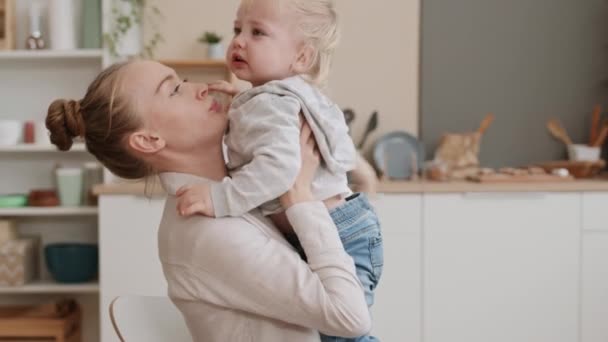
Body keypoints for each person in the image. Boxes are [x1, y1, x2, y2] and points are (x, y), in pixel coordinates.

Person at [45, 59, 371, 341]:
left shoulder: (239, 189)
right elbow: (350, 317)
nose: (199, 88)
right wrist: (300, 197)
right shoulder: (208, 232)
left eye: (182, 81)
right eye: (173, 90)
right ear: (148, 140)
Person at [176, 1, 383, 340]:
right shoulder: (287, 96)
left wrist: (219, 198)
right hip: (346, 226)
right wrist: (243, 104)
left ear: (302, 57)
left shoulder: (271, 104)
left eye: (258, 33)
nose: (239, 41)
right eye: (237, 29)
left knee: (344, 334)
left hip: (337, 235)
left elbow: (280, 170)